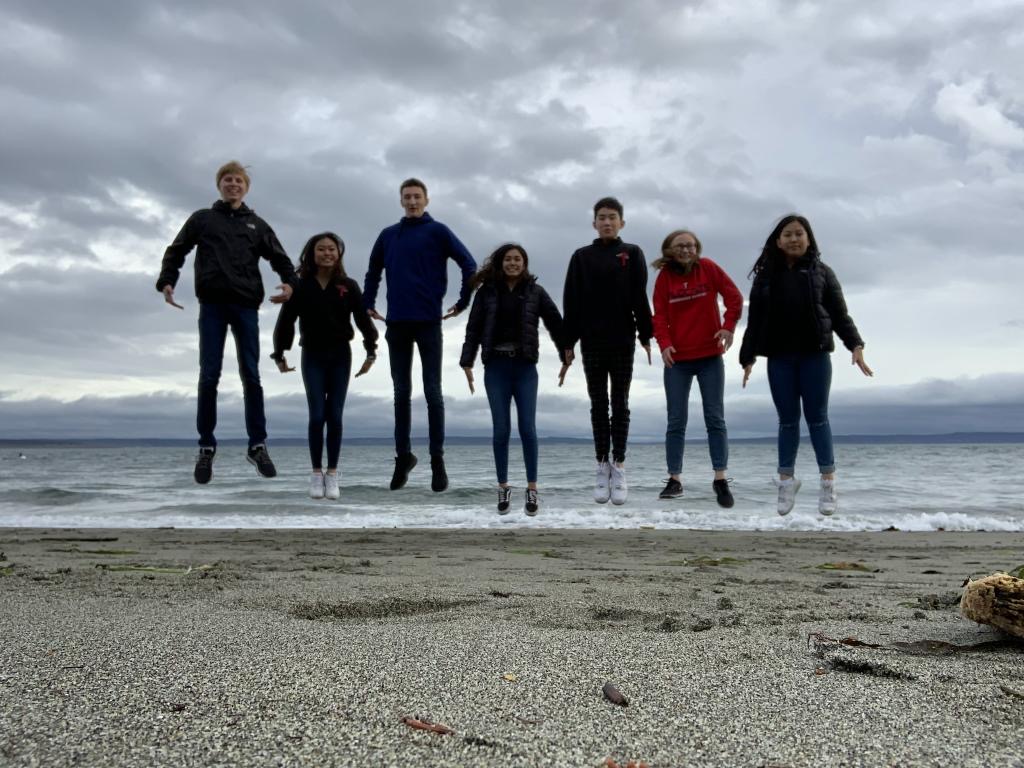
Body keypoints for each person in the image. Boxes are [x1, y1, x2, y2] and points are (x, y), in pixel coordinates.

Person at [156, 160, 295, 484]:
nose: (233, 184)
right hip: (212, 305)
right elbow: (176, 250)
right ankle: (206, 447)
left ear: (246, 188)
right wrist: (167, 280)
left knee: (251, 376)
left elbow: (280, 258)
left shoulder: (257, 225)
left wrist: (290, 283)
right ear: (219, 185)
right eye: (228, 180)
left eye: (239, 181)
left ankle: (257, 446)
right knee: (209, 376)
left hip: (246, 306)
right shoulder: (202, 219)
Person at [738, 214, 873, 516]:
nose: (794, 239)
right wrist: (747, 358)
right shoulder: (765, 277)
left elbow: (840, 315)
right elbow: (755, 321)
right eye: (787, 234)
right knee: (787, 421)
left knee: (817, 419)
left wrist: (856, 345)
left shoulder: (822, 272)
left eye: (799, 233)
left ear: (808, 239)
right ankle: (786, 482)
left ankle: (828, 483)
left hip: (815, 355)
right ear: (778, 241)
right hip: (779, 358)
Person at [362, 178, 477, 492]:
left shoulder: (438, 231)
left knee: (433, 392)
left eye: (417, 196)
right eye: (407, 197)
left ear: (426, 200)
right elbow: (373, 271)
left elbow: (469, 265)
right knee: (401, 393)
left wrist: (463, 301)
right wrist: (368, 303)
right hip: (397, 323)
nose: (412, 201)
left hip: (428, 322)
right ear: (401, 201)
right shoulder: (388, 235)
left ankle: (437, 461)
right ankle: (403, 457)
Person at [459, 243, 565, 516]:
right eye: (508, 259)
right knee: (501, 430)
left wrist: (566, 350)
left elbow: (555, 322)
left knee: (528, 428)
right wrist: (466, 361)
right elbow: (473, 328)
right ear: (501, 262)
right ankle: (503, 487)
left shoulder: (535, 291)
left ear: (524, 263)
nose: (513, 263)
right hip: (496, 367)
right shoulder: (486, 293)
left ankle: (532, 489)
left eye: (518, 259)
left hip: (525, 367)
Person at [271, 232, 379, 500]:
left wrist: (371, 351)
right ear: (312, 253)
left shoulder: (348, 285)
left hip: (340, 354)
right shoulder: (300, 285)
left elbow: (363, 320)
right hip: (312, 355)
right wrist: (279, 353)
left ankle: (332, 473)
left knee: (335, 415)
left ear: (339, 253)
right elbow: (286, 320)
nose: (327, 253)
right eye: (321, 249)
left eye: (332, 249)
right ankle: (316, 473)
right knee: (317, 415)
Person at [561, 196, 653, 505]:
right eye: (602, 217)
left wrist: (646, 334)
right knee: (598, 403)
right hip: (592, 340)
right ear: (594, 223)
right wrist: (567, 343)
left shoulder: (632, 253)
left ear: (621, 222)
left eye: (612, 217)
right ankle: (602, 465)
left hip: (622, 338)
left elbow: (639, 296)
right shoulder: (581, 256)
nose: (607, 222)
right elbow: (571, 301)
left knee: (620, 402)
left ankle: (620, 464)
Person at [652, 229, 743, 507]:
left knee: (715, 418)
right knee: (676, 421)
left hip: (709, 357)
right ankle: (674, 480)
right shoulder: (664, 278)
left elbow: (735, 298)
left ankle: (720, 479)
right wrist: (664, 344)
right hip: (677, 360)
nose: (686, 250)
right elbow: (659, 316)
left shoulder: (708, 268)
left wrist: (728, 327)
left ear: (697, 248)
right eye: (680, 246)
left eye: (691, 245)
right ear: (669, 250)